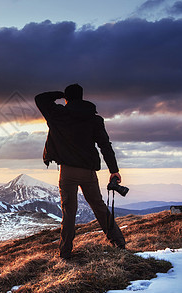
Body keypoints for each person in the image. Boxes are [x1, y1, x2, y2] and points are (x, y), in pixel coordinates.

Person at [35, 83, 126, 260]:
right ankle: (118, 242)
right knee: (99, 206)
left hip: (67, 171)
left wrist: (61, 94)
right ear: (82, 97)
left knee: (69, 212)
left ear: (67, 99)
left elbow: (40, 98)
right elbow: (105, 146)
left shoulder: (58, 114)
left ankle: (65, 253)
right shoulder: (94, 119)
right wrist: (114, 170)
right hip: (88, 172)